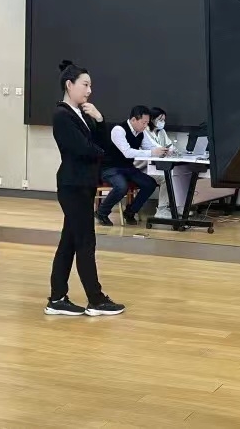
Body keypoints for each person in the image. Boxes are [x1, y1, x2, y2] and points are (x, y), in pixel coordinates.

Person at [45, 60, 125, 317]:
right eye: (85, 85)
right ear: (69, 85)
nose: (89, 91)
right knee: (85, 241)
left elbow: (101, 146)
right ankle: (96, 299)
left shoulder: (80, 113)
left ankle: (57, 298)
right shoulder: (62, 115)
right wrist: (100, 152)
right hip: (73, 185)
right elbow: (84, 150)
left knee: (69, 242)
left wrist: (100, 120)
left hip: (82, 184)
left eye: (90, 86)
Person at [95, 105, 167, 226]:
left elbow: (150, 147)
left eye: (147, 123)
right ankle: (102, 212)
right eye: (143, 123)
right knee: (121, 186)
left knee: (150, 184)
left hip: (128, 168)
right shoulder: (119, 130)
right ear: (134, 119)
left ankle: (130, 211)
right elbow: (127, 152)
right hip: (110, 168)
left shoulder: (141, 132)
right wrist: (152, 152)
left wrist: (163, 150)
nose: (145, 126)